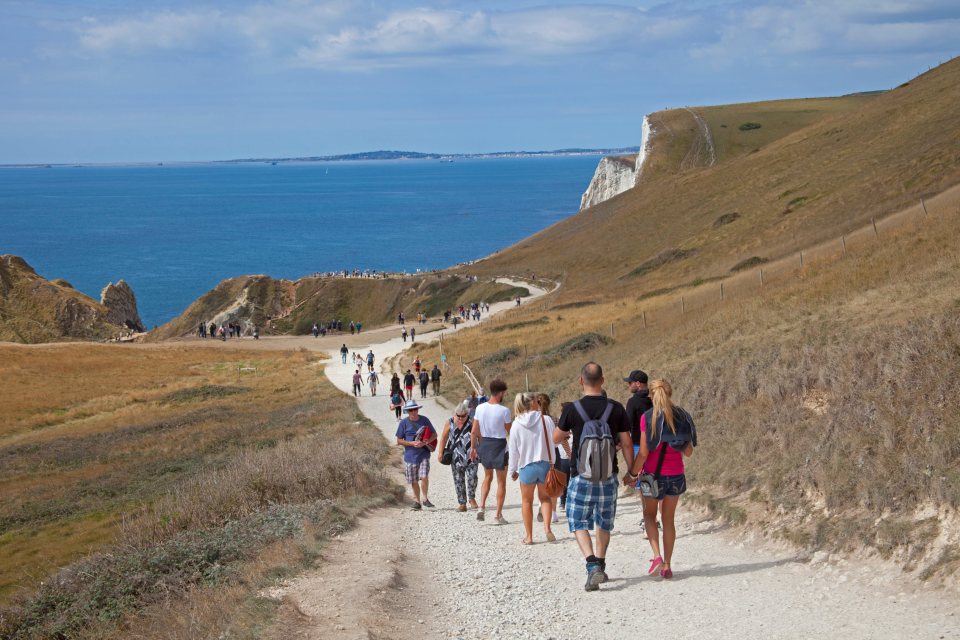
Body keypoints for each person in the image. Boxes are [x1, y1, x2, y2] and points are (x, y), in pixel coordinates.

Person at [554, 362, 634, 592]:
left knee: (578, 520)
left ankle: (591, 566)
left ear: (581, 381)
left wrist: (570, 429)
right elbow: (627, 443)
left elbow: (555, 438)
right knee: (604, 521)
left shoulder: (572, 409)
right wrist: (632, 472)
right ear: (603, 380)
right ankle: (600, 562)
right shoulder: (616, 408)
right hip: (609, 475)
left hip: (581, 475)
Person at [624, 379, 696, 580]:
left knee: (649, 516)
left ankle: (656, 556)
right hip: (675, 474)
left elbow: (644, 453)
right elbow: (688, 451)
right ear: (669, 393)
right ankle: (667, 565)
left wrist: (631, 474)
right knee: (668, 519)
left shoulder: (648, 417)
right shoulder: (683, 416)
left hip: (652, 476)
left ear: (651, 395)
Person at [508, 392, 556, 544]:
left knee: (526, 501)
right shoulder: (546, 420)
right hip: (544, 464)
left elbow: (513, 450)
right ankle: (547, 529)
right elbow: (552, 442)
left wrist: (512, 470)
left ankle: (529, 537)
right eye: (537, 401)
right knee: (545, 498)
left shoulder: (516, 424)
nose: (539, 402)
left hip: (526, 466)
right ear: (532, 404)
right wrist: (552, 463)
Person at [470, 379, 512, 524]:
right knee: (501, 482)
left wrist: (473, 448)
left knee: (487, 477)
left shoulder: (480, 408)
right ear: (500, 393)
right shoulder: (504, 410)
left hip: (485, 444)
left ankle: (481, 507)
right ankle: (497, 516)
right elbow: (510, 431)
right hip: (499, 445)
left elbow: (474, 430)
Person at [436, 401, 479, 512]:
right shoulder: (449, 422)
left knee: (472, 477)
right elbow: (444, 438)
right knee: (458, 480)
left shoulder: (473, 422)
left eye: (462, 416)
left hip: (471, 455)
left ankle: (472, 497)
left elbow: (480, 436)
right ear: (455, 414)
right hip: (455, 456)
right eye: (458, 416)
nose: (460, 418)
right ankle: (462, 503)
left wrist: (482, 451)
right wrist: (440, 453)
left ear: (467, 414)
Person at [395, 400, 436, 510]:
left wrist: (425, 442)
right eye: (411, 410)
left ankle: (425, 499)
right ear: (407, 411)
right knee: (414, 480)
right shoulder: (403, 423)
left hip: (424, 454)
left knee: (424, 476)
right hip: (410, 456)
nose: (414, 411)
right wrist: (411, 443)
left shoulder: (425, 420)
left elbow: (434, 434)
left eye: (415, 409)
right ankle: (417, 502)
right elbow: (399, 440)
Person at [538, 393, 568, 524]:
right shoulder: (554, 420)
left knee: (541, 482)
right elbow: (557, 440)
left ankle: (541, 504)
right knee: (554, 482)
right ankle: (554, 512)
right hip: (553, 453)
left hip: (538, 453)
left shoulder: (533, 419)